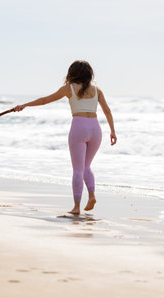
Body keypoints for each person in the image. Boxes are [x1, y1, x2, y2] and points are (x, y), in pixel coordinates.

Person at [13, 60, 117, 215]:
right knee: (86, 166)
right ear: (89, 73)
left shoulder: (69, 89)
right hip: (96, 129)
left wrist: (25, 105)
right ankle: (92, 195)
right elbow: (107, 111)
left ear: (72, 73)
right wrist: (113, 132)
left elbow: (44, 100)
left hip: (79, 127)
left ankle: (76, 207)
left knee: (77, 169)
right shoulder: (96, 90)